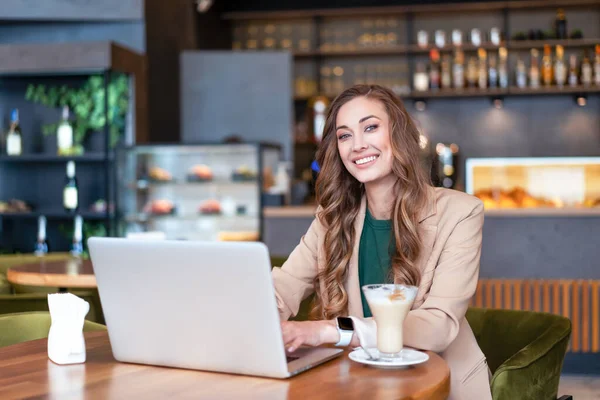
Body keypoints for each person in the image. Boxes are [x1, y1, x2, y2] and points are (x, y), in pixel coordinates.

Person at [272, 84, 491, 399]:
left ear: (398, 134)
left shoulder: (460, 212)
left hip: (440, 386)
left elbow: (439, 324)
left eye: (370, 128)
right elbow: (284, 286)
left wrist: (326, 331)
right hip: (359, 383)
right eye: (345, 135)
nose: (357, 145)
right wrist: (251, 315)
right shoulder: (331, 216)